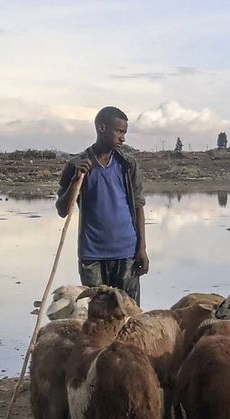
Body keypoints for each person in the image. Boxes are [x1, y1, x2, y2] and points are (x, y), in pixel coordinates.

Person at [56, 106, 148, 305]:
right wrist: (75, 180)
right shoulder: (77, 165)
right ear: (101, 128)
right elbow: (63, 210)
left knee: (129, 317)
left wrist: (142, 248)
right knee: (98, 317)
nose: (122, 138)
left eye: (124, 133)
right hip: (93, 256)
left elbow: (138, 206)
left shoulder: (127, 165)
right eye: (118, 131)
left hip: (127, 253)